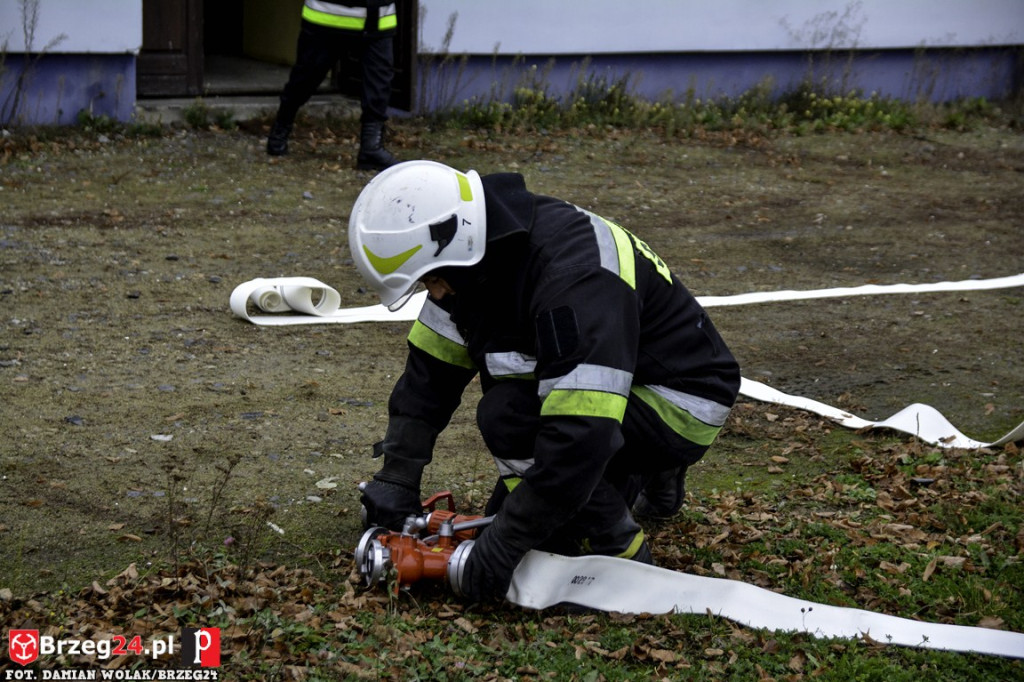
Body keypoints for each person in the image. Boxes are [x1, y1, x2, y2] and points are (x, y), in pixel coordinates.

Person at [349, 160, 740, 602]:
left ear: (459, 248)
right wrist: (398, 474)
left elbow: (582, 435)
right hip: (621, 389)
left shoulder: (573, 276)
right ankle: (643, 473)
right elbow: (429, 374)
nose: (434, 293)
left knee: (509, 423)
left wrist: (503, 546)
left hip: (683, 401)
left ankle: (622, 547)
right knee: (524, 506)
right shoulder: (472, 264)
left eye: (433, 280)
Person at [267, 0, 400, 170]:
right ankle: (280, 128)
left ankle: (371, 148)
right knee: (305, 79)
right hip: (326, 15)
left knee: (379, 83)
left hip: (379, 18)